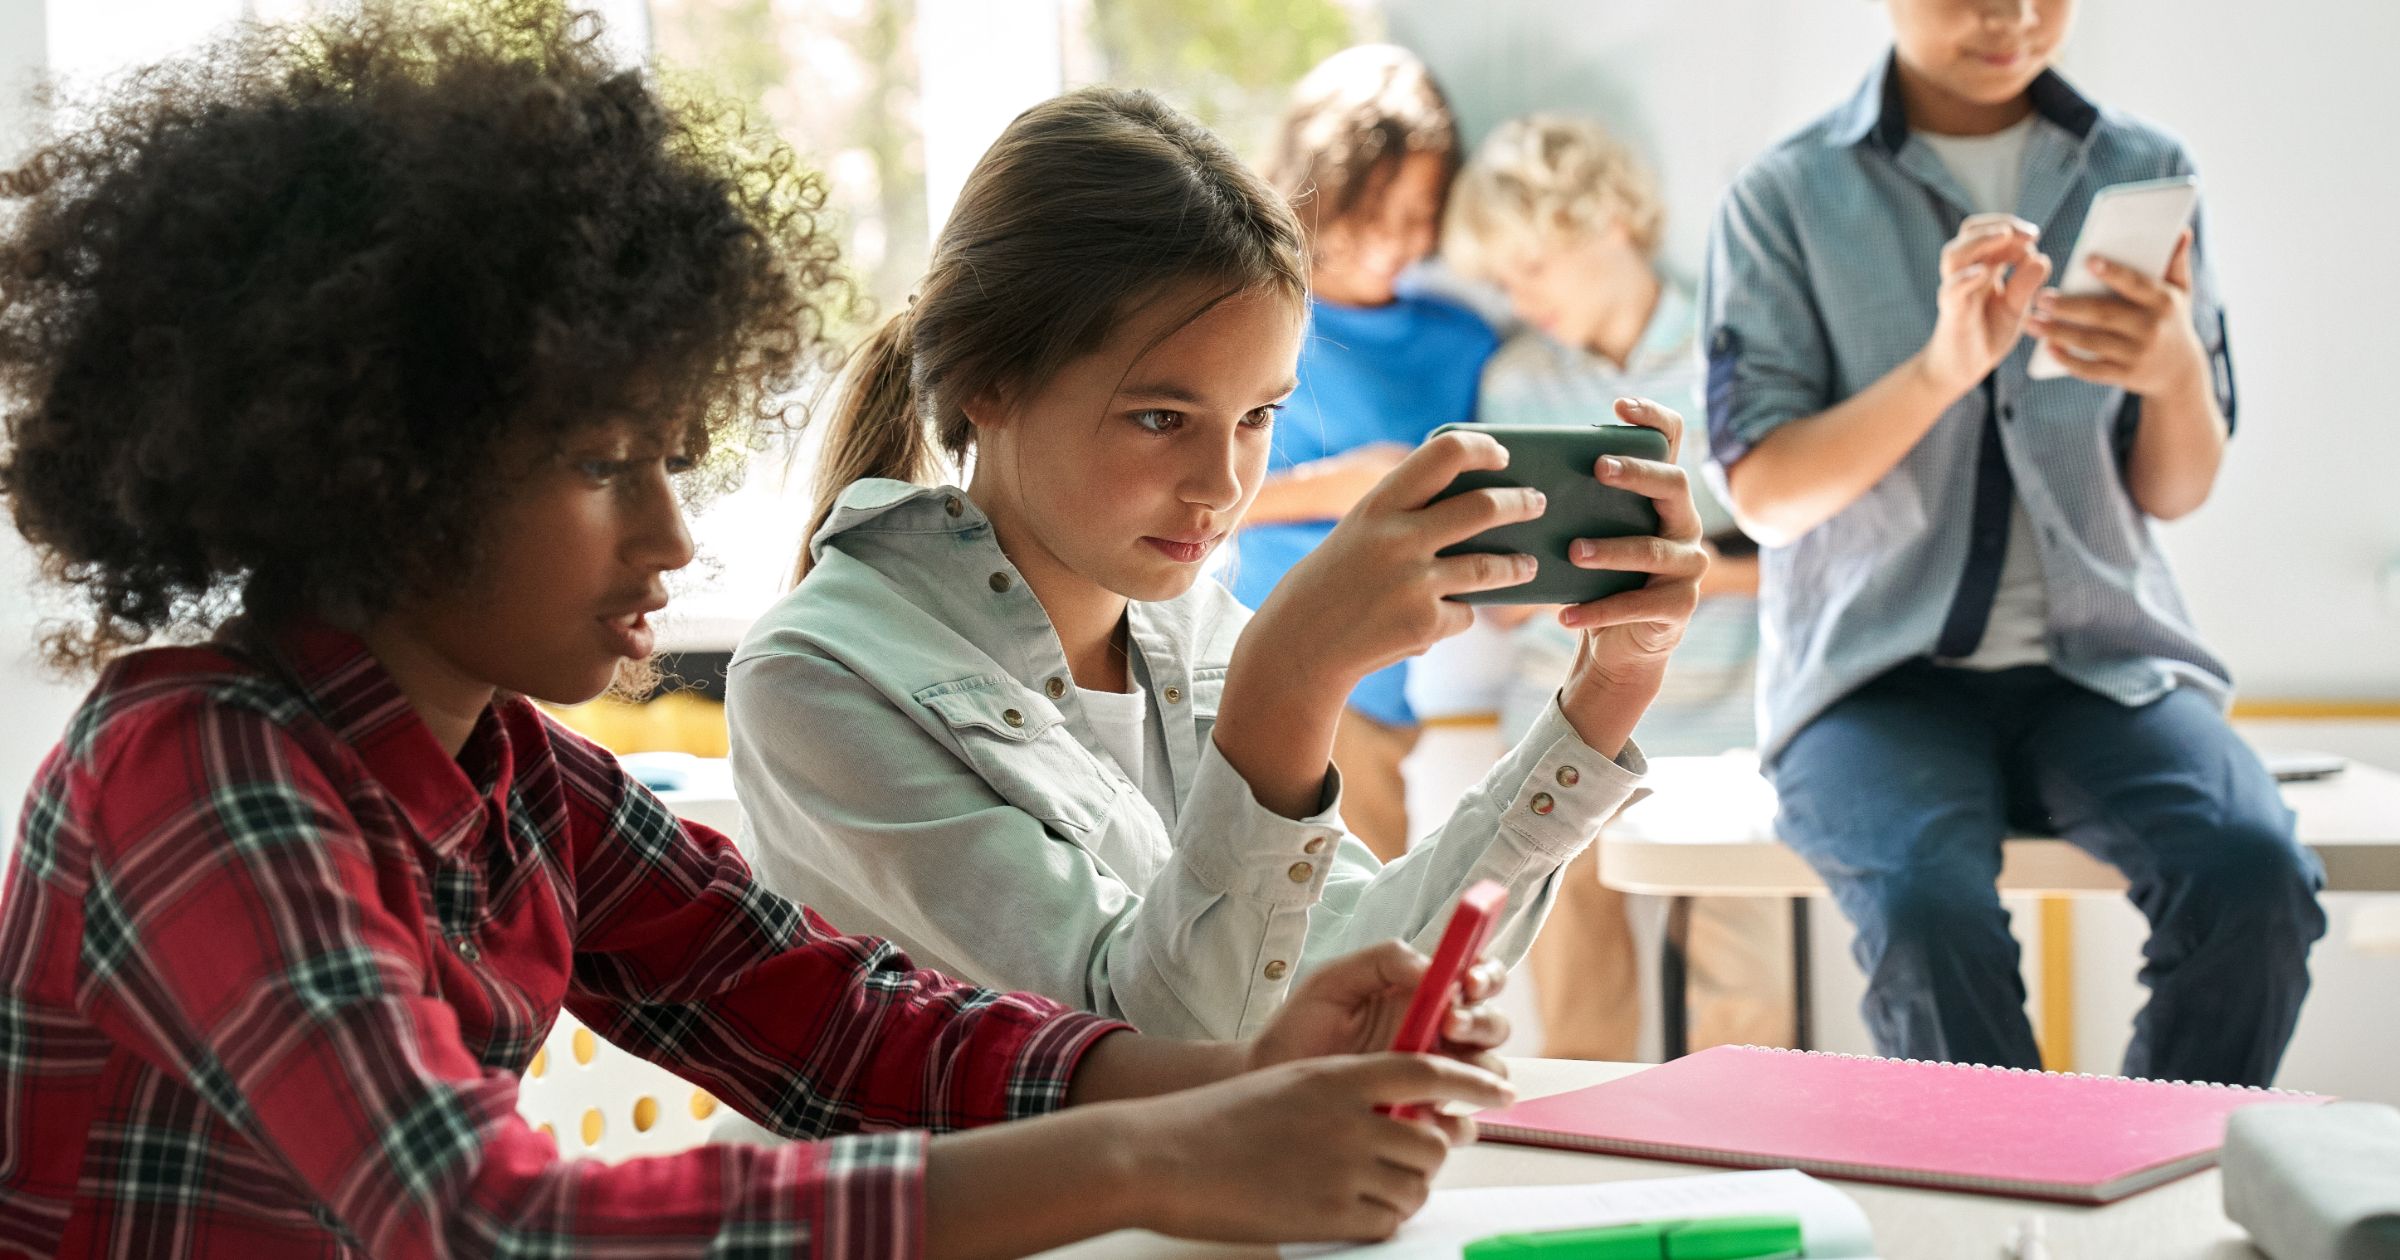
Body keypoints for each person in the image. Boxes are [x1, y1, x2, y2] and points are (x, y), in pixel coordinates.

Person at [0, 6, 1523, 1255]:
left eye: (671, 458)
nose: (670, 535)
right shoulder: (190, 767)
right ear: (383, 470)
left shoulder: (522, 780)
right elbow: (482, 1223)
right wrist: (1144, 1159)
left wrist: (1232, 1083)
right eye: (604, 468)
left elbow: (845, 1026)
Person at [725, 85, 1707, 1042]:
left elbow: (1358, 975)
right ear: (990, 379)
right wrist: (1293, 674)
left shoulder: (1191, 633)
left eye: (1258, 417)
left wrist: (1608, 689)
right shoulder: (818, 681)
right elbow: (1166, 1057)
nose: (1220, 486)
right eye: (1160, 417)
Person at [1702, 0, 2323, 1084]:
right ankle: (2005, 1220)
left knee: (2256, 875)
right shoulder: (1786, 195)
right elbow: (1765, 495)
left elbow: (2175, 491)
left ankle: (2142, 1197)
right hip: (1873, 679)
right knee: (1925, 914)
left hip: (2107, 662)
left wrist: (2174, 369)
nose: (2014, 16)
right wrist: (1942, 369)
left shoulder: (2144, 168)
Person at [1443, 113, 1791, 1059]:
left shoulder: (1738, 355)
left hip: (1724, 727)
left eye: (1534, 266)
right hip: (1559, 717)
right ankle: (1587, 1172)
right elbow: (1508, 588)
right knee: (1573, 989)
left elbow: (1802, 551)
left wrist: (1678, 573)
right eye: (1504, 276)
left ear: (1610, 226)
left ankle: (1740, 1173)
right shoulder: (1517, 379)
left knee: (1747, 997)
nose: (1519, 294)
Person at [1225, 45, 1498, 858]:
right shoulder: (1252, 315)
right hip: (1252, 663)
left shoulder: (1462, 343)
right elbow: (1189, 499)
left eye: (1420, 214)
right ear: (1321, 184)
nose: (1397, 240)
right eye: (1376, 211)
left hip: (1384, 686)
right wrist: (1344, 487)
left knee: (1356, 938)